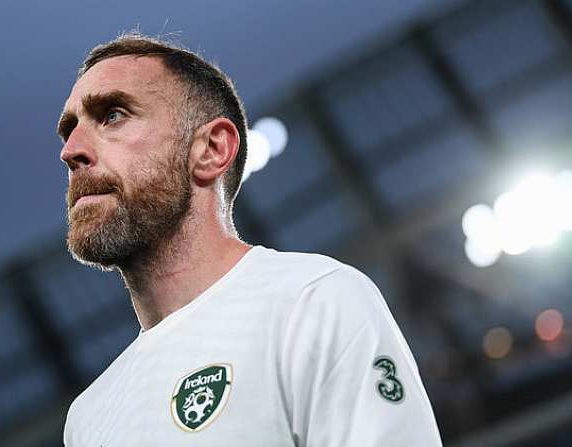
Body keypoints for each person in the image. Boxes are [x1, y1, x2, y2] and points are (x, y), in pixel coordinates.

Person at [57, 32, 442, 446]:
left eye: (112, 115)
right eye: (69, 130)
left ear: (211, 150)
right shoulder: (88, 416)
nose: (71, 151)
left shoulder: (312, 300)